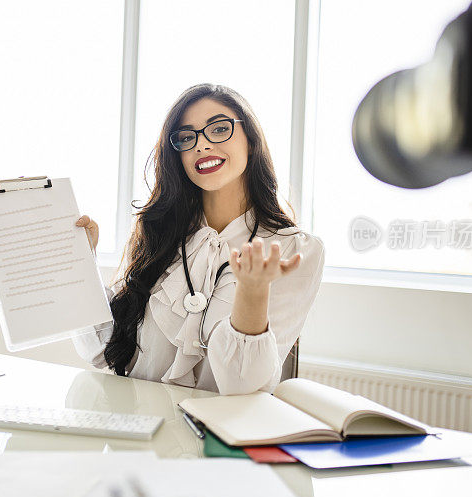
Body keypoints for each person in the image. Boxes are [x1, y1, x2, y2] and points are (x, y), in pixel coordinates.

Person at [73, 83, 325, 395]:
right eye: (186, 137)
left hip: (216, 437)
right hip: (134, 427)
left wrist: (253, 291)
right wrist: (80, 259)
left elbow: (242, 385)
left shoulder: (293, 250)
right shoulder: (159, 231)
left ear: (251, 140)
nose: (202, 146)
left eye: (219, 129)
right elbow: (102, 352)